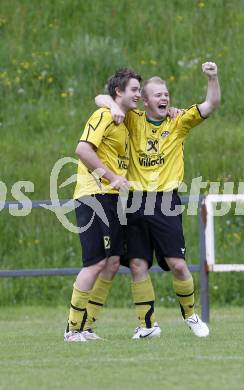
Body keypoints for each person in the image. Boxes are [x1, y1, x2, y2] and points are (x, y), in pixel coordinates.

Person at [95, 62, 220, 338]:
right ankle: (147, 325)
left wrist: (212, 77)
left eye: (166, 94)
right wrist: (114, 107)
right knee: (138, 264)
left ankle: (191, 316)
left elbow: (211, 103)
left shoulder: (178, 121)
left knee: (177, 264)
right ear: (146, 101)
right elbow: (101, 98)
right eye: (158, 95)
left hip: (165, 201)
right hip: (135, 201)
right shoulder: (132, 119)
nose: (164, 99)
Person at [64, 68, 142, 342]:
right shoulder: (104, 115)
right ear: (119, 92)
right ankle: (72, 329)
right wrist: (112, 177)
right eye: (134, 89)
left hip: (111, 198)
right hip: (93, 194)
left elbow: (102, 96)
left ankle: (86, 326)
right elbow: (83, 150)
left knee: (111, 262)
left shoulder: (126, 118)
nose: (139, 94)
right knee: (95, 263)